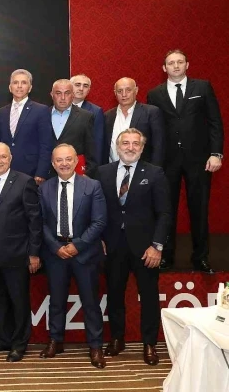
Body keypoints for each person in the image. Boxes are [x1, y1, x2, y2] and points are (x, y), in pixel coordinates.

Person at [95, 128, 170, 366]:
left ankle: (150, 343)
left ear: (142, 147)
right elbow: (96, 210)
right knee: (114, 294)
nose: (130, 147)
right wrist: (99, 238)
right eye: (125, 143)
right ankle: (117, 339)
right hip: (113, 246)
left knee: (149, 296)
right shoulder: (103, 172)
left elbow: (165, 213)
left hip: (146, 248)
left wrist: (157, 246)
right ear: (117, 147)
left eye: (135, 143)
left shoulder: (155, 173)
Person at [147, 49, 224, 273]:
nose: (176, 66)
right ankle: (166, 256)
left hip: (199, 160)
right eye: (171, 63)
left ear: (187, 65)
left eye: (180, 62)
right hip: (167, 161)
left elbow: (215, 122)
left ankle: (201, 257)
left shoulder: (202, 87)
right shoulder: (155, 94)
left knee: (199, 209)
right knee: (166, 209)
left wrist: (216, 154)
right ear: (164, 68)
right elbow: (153, 130)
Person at [39, 144, 107, 368]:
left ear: (77, 161)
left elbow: (99, 221)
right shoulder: (44, 188)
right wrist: (55, 246)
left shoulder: (92, 185)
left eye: (68, 159)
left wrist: (77, 245)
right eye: (59, 160)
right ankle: (55, 341)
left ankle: (95, 346)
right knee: (56, 301)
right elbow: (40, 223)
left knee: (90, 302)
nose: (64, 163)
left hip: (84, 253)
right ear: (53, 163)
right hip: (55, 253)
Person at [0, 142, 42, 362]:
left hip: (17, 254)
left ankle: (19, 344)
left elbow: (35, 220)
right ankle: (4, 339)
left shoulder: (25, 182)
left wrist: (33, 253)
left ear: (10, 158)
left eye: (3, 157)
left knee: (18, 302)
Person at [0, 69, 52, 183]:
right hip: (4, 170)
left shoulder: (41, 110)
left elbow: (46, 144)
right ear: (10, 87)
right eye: (15, 82)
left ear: (30, 88)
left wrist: (41, 172)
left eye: (24, 83)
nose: (19, 86)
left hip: (31, 172)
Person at [103, 78, 164, 166]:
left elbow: (159, 146)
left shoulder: (151, 112)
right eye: (120, 91)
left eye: (128, 90)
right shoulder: (107, 116)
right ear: (115, 93)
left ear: (136, 90)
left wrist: (154, 170)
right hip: (112, 169)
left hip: (142, 169)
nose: (124, 94)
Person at [48, 79, 96, 177]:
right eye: (58, 93)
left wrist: (88, 173)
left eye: (67, 93)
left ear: (73, 95)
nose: (63, 97)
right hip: (47, 174)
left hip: (75, 173)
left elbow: (91, 149)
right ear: (52, 95)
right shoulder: (42, 114)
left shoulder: (85, 117)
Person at [71, 74, 105, 164]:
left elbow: (97, 143)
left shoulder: (96, 111)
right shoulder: (59, 108)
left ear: (88, 90)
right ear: (70, 87)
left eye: (85, 86)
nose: (81, 88)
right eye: (77, 85)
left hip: (84, 163)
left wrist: (93, 168)